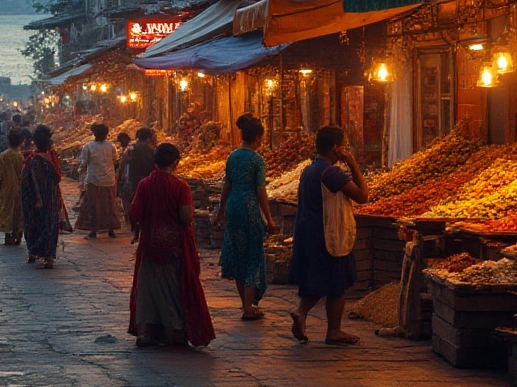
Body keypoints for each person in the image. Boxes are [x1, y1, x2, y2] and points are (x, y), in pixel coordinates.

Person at [128, 143, 215, 348]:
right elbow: (185, 216)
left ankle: (146, 330)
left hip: (150, 244)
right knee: (174, 287)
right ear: (175, 162)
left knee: (148, 288)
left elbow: (134, 212)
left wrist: (137, 229)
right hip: (174, 245)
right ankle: (174, 329)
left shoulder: (145, 184)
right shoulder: (180, 186)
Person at [288, 125, 369, 346]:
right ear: (336, 148)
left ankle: (301, 312)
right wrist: (353, 164)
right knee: (336, 280)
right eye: (343, 146)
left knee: (320, 277)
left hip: (309, 230)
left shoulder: (310, 170)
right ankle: (333, 330)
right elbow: (363, 196)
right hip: (328, 232)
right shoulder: (331, 173)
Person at [215, 113, 278, 321]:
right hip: (249, 208)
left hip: (233, 206)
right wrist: (269, 218)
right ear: (258, 137)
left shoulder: (233, 156)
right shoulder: (256, 160)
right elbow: (261, 191)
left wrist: (221, 209)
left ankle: (245, 305)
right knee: (253, 254)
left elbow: (227, 185)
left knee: (237, 252)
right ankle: (249, 307)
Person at [21, 125, 65, 268]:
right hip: (51, 197)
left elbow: (24, 181)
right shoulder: (52, 160)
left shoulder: (30, 160)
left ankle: (33, 252)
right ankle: (49, 256)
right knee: (50, 226)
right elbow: (58, 177)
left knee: (33, 224)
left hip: (33, 200)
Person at [76, 123, 122, 239]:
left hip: (94, 179)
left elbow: (83, 163)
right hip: (109, 179)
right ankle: (111, 230)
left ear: (94, 134)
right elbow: (115, 159)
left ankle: (93, 230)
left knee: (94, 205)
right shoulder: (111, 146)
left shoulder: (88, 147)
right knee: (109, 204)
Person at [0, 128, 25, 245]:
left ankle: (8, 234)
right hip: (19, 190)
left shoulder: (3, 156)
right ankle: (18, 232)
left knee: (5, 211)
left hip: (5, 190)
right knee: (18, 212)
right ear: (21, 142)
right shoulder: (22, 157)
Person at [119, 128, 158, 224]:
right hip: (147, 178)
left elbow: (123, 163)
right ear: (148, 138)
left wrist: (119, 177)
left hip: (132, 178)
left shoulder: (130, 148)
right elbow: (156, 165)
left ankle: (131, 218)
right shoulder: (152, 149)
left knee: (131, 199)